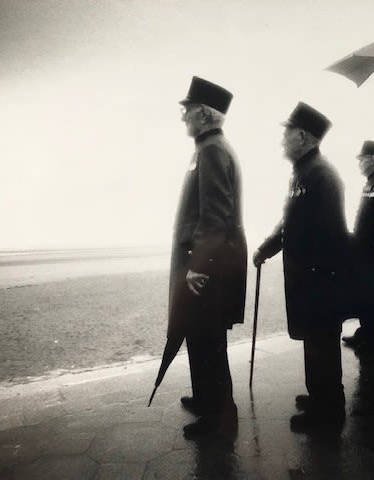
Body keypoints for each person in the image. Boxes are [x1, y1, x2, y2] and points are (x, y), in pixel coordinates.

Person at [253, 102, 349, 431]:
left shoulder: (324, 175)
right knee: (313, 341)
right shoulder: (301, 172)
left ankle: (329, 411)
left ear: (304, 136)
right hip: (305, 280)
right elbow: (289, 222)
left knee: (322, 343)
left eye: (287, 133)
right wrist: (268, 247)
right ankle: (318, 396)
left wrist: (317, 279)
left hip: (320, 281)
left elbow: (331, 234)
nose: (282, 139)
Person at [168, 76, 247, 438]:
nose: (182, 116)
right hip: (208, 262)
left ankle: (219, 418)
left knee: (207, 339)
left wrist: (197, 266)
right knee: (198, 335)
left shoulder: (213, 150)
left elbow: (214, 217)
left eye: (187, 110)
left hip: (208, 265)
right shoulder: (207, 147)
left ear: (203, 114)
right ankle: (206, 399)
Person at [342, 141, 374, 351]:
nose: (359, 164)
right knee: (364, 294)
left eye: (361, 159)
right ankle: (366, 332)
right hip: (362, 251)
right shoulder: (370, 183)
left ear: (372, 159)